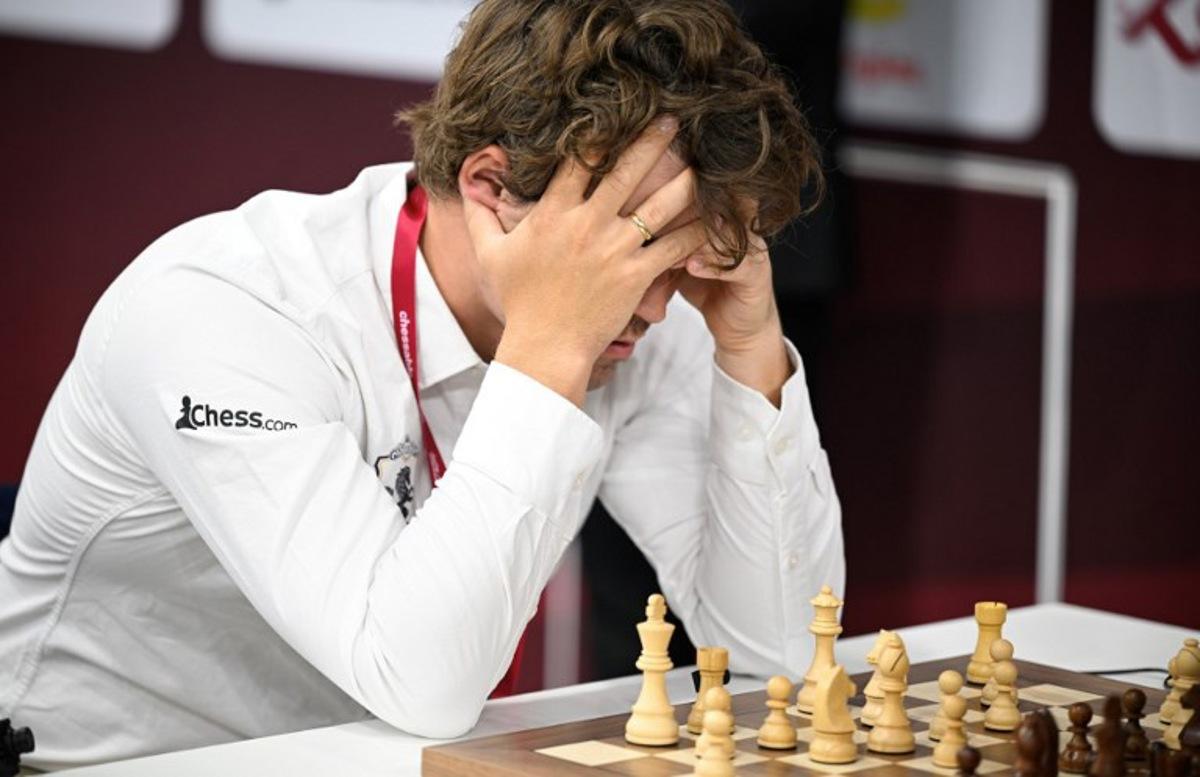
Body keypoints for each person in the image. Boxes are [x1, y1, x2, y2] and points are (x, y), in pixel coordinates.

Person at [0, 0, 844, 769]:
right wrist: (550, 349)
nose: (662, 306)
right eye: (633, 244)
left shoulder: (643, 320)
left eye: (677, 255)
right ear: (489, 188)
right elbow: (424, 685)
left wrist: (750, 344)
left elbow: (780, 660)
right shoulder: (223, 311)